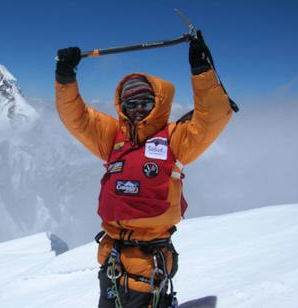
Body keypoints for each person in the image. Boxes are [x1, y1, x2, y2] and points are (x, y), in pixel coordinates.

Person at [54, 37, 233, 307]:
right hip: (113, 260)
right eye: (131, 104)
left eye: (145, 103)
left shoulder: (176, 139)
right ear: (122, 108)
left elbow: (213, 117)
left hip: (150, 264)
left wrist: (201, 70)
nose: (138, 109)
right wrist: (65, 77)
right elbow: (78, 119)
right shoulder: (113, 137)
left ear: (157, 104)